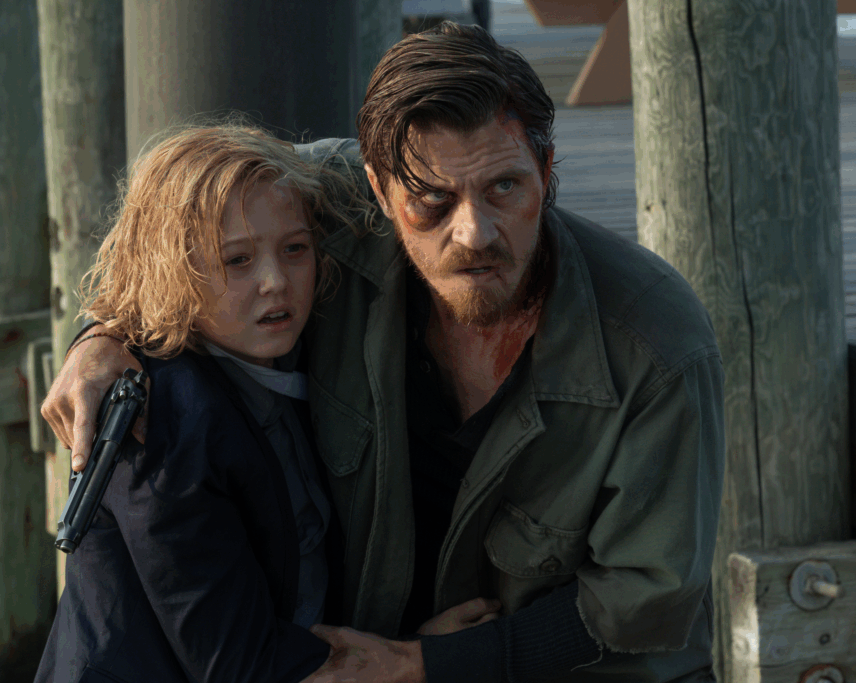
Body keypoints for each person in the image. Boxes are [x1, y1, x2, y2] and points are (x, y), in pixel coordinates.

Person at [44, 23, 725, 683]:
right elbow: (176, 224)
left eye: (505, 187)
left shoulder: (656, 345)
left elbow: (648, 595)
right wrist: (102, 336)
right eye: (431, 200)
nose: (475, 232)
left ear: (545, 171)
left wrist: (425, 666)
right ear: (377, 188)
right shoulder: (327, 195)